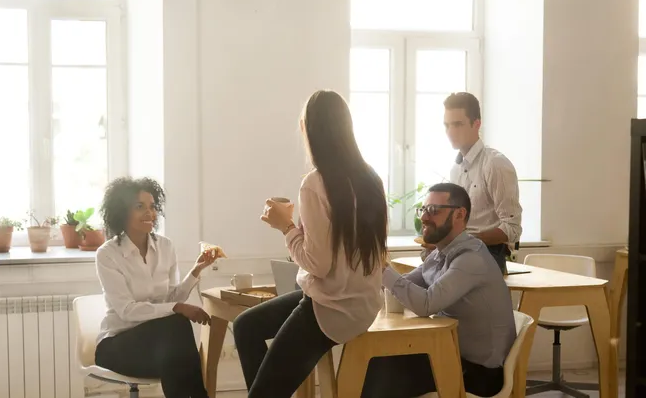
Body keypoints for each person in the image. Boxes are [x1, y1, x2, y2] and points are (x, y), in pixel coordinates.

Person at [233, 90, 388, 398]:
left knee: (262, 390)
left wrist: (286, 227)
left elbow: (318, 263)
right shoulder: (371, 178)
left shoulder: (315, 183)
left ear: (308, 129)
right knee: (245, 326)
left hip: (330, 308)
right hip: (363, 304)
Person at [364, 183, 516, 398]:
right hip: (452, 355)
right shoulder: (441, 252)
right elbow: (407, 284)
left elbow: (426, 304)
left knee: (385, 373)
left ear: (459, 215)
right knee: (377, 360)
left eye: (433, 210)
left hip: (480, 374)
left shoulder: (471, 258)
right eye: (423, 210)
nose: (424, 218)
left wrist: (383, 269)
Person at [94, 177, 220, 398]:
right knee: (177, 331)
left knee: (175, 348)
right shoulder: (108, 254)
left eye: (152, 207)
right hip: (118, 345)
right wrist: (177, 308)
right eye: (140, 207)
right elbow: (127, 311)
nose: (150, 213)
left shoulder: (165, 246)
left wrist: (196, 270)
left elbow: (171, 297)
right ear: (122, 211)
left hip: (160, 345)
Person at [440, 92, 522, 274]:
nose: (450, 132)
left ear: (477, 124)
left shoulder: (495, 164)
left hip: (488, 256)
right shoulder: (456, 169)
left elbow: (512, 228)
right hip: (460, 254)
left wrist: (467, 240)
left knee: (427, 288)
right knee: (409, 278)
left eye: (458, 124)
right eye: (447, 125)